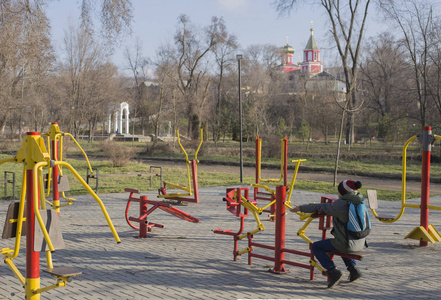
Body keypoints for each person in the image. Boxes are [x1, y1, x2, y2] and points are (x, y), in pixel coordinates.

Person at [290, 179, 366, 288]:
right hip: (359, 242)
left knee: (316, 246)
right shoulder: (359, 201)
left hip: (347, 243)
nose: (337, 193)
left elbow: (320, 207)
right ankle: (353, 270)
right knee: (339, 244)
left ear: (343, 192)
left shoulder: (341, 204)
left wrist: (300, 208)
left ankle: (333, 271)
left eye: (338, 191)